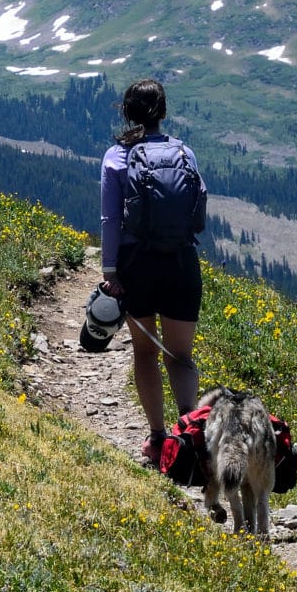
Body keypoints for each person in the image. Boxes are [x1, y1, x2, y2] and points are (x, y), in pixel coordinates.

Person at [98, 78, 205, 465]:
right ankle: (191, 435)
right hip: (180, 263)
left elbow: (111, 219)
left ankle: (159, 440)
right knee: (181, 356)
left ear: (126, 112)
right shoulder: (185, 154)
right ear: (163, 112)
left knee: (145, 352)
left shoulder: (115, 157)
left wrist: (111, 270)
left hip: (136, 265)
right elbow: (197, 210)